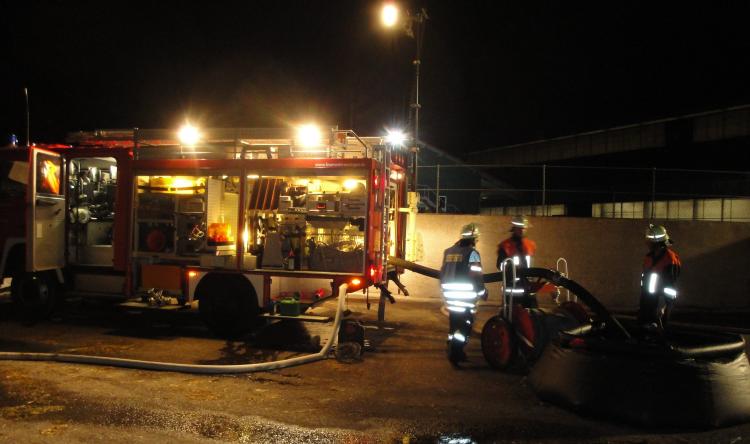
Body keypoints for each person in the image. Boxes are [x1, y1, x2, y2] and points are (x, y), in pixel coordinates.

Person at [440, 223, 487, 364]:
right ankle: (456, 351)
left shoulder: (448, 251)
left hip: (450, 296)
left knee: (454, 323)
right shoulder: (473, 254)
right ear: (474, 239)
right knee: (465, 326)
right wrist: (482, 291)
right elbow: (476, 274)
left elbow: (442, 272)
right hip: (465, 297)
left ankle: (452, 347)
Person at [638, 224, 681, 330]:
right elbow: (646, 281)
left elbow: (670, 287)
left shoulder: (670, 259)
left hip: (660, 304)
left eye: (649, 241)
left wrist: (663, 306)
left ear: (655, 242)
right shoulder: (649, 257)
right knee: (644, 327)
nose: (647, 243)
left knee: (659, 330)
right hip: (648, 302)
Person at [496, 216, 537, 306]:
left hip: (528, 288)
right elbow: (500, 265)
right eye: (519, 228)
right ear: (514, 229)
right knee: (511, 313)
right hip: (512, 289)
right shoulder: (505, 246)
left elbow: (531, 265)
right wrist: (511, 268)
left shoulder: (530, 245)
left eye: (524, 228)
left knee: (532, 313)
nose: (522, 230)